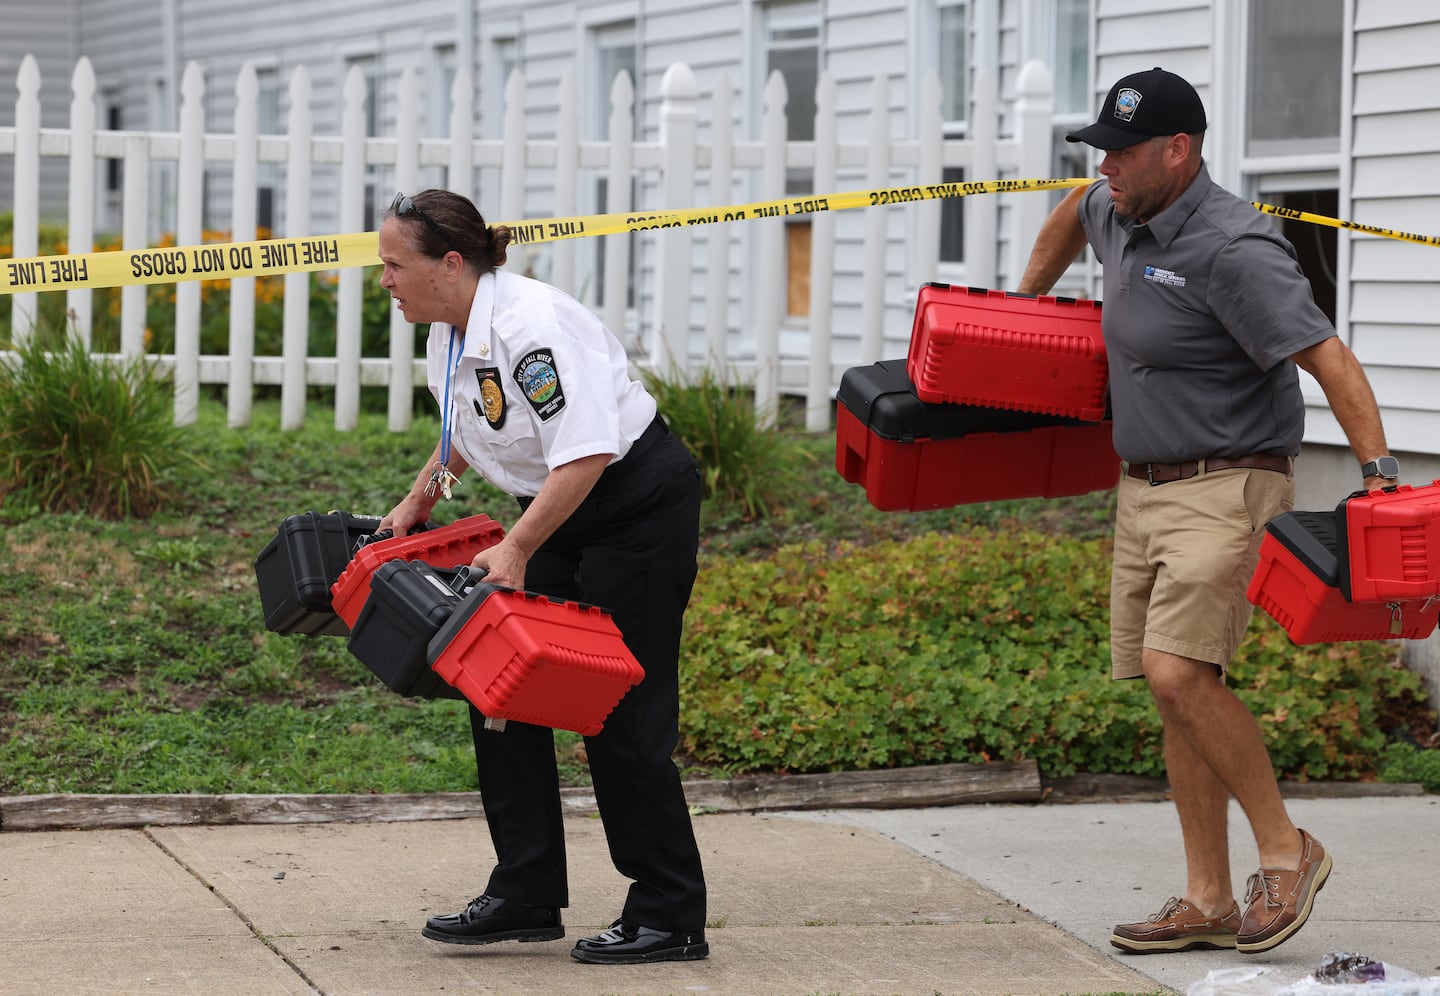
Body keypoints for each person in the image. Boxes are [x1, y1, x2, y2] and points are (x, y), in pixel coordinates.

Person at [1016, 68, 1396, 956]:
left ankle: (1287, 850)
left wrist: (1378, 480)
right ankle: (1208, 899)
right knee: (1179, 690)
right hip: (1143, 485)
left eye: (1124, 151)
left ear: (1179, 151)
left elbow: (1328, 358)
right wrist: (1023, 304)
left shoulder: (1236, 248)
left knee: (1179, 674)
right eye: (1101, 150)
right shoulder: (1116, 205)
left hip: (1229, 480)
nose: (1105, 167)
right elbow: (1073, 210)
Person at [375, 189, 709, 965]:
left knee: (620, 700)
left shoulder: (531, 328)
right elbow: (465, 433)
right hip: (561, 508)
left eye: (394, 264)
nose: (384, 280)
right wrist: (418, 502)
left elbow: (587, 449)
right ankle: (526, 889)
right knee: (502, 683)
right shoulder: (452, 330)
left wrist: (519, 549)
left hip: (633, 507)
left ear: (449, 265)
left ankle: (669, 913)